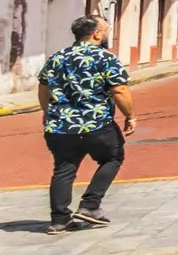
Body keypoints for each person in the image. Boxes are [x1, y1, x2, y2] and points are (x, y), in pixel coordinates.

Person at [37, 15, 135, 235]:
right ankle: (90, 205)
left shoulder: (57, 57)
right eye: (106, 30)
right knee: (112, 157)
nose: (107, 34)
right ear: (96, 33)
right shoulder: (105, 58)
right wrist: (130, 115)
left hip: (60, 126)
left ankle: (59, 219)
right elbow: (120, 90)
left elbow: (43, 88)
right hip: (96, 123)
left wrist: (47, 112)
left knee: (64, 168)